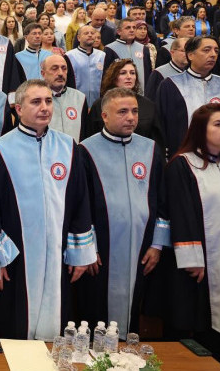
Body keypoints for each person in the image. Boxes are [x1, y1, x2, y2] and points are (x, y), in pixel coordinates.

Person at [0, 79, 96, 340]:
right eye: (36, 102)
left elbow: (81, 202)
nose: (44, 107)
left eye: (48, 101)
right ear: (19, 109)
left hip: (58, 255)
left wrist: (81, 254)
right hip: (16, 259)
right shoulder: (1, 150)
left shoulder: (68, 147)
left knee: (57, 326)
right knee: (13, 326)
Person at [78, 87, 169, 339]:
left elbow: (163, 203)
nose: (131, 117)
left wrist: (158, 245)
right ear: (104, 116)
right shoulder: (86, 151)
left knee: (134, 318)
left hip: (142, 249)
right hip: (101, 251)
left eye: (134, 111)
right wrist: (88, 247)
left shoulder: (151, 149)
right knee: (95, 316)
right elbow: (80, 205)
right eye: (123, 112)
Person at [167, 103, 220, 365]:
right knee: (200, 323)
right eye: (218, 125)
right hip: (200, 264)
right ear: (199, 130)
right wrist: (192, 258)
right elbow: (180, 213)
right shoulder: (184, 165)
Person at [157, 36, 220, 156]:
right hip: (182, 156)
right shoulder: (170, 85)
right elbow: (161, 124)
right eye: (206, 50)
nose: (213, 54)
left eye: (216, 50)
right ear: (190, 55)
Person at [84, 59, 165, 149]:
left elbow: (157, 143)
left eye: (132, 73)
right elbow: (89, 137)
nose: (129, 77)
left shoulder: (148, 106)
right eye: (123, 73)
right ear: (113, 77)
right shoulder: (100, 105)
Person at [43, 54, 87, 141]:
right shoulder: (35, 99)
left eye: (64, 68)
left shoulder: (80, 98)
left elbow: (85, 135)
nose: (60, 73)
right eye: (54, 68)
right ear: (43, 73)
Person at [103, 18, 153, 92]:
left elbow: (148, 73)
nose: (132, 30)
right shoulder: (110, 49)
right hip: (118, 94)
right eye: (128, 28)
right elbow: (107, 75)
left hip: (141, 94)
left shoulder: (143, 49)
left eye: (134, 27)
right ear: (119, 32)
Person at [65, 25, 107, 104]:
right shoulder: (69, 56)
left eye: (92, 33)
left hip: (98, 102)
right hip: (75, 102)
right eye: (86, 33)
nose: (90, 35)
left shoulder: (102, 56)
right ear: (79, 38)